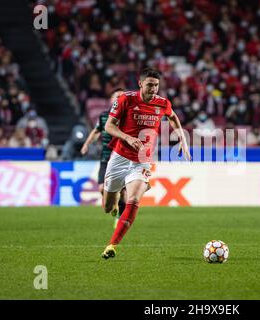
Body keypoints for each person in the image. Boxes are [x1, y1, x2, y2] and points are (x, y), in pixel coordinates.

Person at [101, 67, 191, 259]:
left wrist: (182, 139)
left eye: (156, 85)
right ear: (140, 83)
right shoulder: (126, 99)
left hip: (142, 161)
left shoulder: (163, 103)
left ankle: (112, 245)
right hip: (119, 157)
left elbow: (173, 117)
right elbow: (109, 126)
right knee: (107, 207)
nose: (153, 89)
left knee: (133, 200)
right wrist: (127, 138)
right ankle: (115, 202)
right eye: (150, 84)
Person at [81, 88, 127, 218]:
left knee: (123, 192)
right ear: (111, 100)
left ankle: (121, 218)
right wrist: (86, 144)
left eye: (121, 96)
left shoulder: (128, 117)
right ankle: (114, 205)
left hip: (121, 158)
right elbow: (96, 131)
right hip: (106, 158)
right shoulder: (103, 116)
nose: (118, 98)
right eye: (116, 96)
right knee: (102, 188)